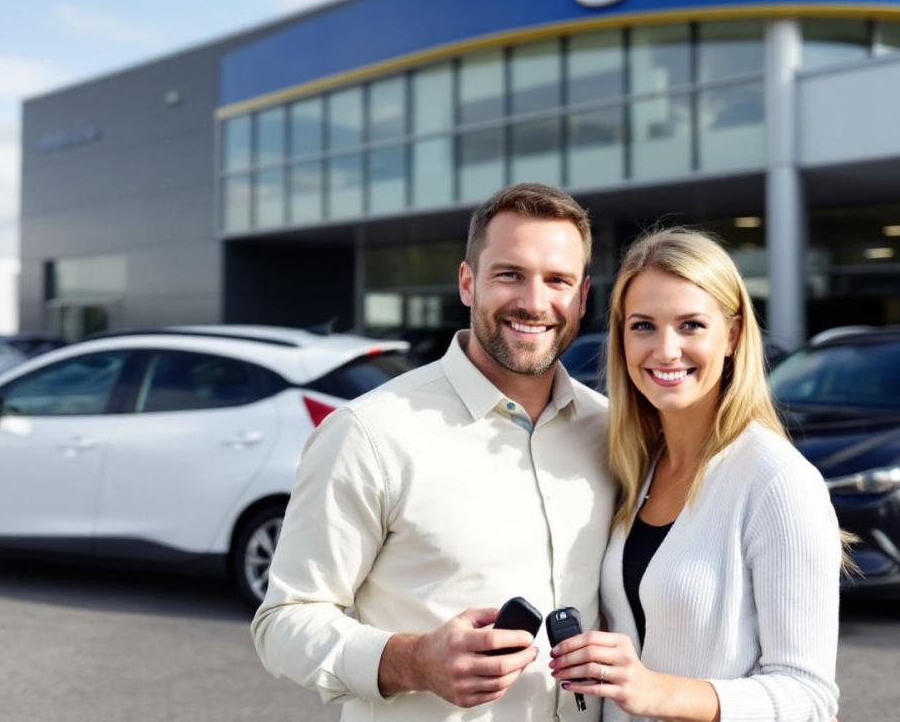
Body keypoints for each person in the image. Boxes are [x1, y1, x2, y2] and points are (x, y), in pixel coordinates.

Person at [252, 183, 616, 721]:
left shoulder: (609, 431)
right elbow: (283, 622)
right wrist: (413, 661)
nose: (534, 303)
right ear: (468, 283)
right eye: (509, 274)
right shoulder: (368, 432)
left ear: (582, 297)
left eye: (556, 280)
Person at [548, 229, 841, 722]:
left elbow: (809, 697)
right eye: (643, 326)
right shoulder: (637, 464)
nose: (665, 350)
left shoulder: (777, 480)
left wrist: (657, 692)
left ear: (731, 335)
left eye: (690, 325)